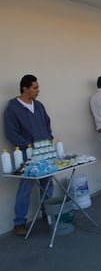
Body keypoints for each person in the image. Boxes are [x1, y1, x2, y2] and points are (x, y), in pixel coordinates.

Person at [3, 74, 54, 236]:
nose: (38, 90)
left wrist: (49, 139)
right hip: (27, 154)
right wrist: (28, 146)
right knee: (26, 187)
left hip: (45, 151)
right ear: (25, 89)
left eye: (38, 87)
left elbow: (47, 123)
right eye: (35, 88)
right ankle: (19, 223)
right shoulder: (12, 109)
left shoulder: (38, 105)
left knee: (48, 183)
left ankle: (48, 213)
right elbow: (11, 133)